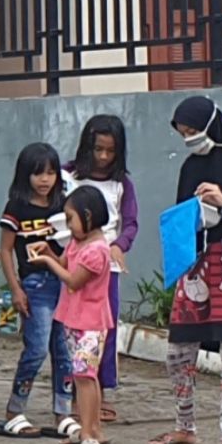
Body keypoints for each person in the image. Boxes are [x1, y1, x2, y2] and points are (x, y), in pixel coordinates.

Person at [147, 96, 222, 444]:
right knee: (178, 351)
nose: (189, 139)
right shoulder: (189, 166)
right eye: (183, 133)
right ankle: (185, 426)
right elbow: (184, 213)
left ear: (210, 124)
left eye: (193, 131)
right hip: (196, 265)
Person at [0, 143, 76, 439]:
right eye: (38, 173)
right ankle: (14, 411)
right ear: (25, 174)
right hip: (34, 286)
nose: (45, 180)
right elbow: (5, 250)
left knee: (64, 352)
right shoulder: (16, 208)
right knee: (37, 348)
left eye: (51, 173)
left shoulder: (63, 205)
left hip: (63, 283)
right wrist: (15, 289)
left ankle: (63, 413)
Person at [28, 187, 115, 444]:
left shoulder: (98, 251)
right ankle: (91, 428)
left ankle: (90, 431)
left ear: (87, 216)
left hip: (91, 322)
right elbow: (64, 264)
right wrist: (51, 253)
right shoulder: (78, 243)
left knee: (85, 375)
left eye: (70, 219)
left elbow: (73, 280)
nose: (67, 225)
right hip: (72, 318)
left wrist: (46, 262)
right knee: (82, 376)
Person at [66, 115, 138, 422]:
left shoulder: (122, 184)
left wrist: (118, 245)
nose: (104, 157)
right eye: (98, 150)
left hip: (106, 269)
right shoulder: (67, 176)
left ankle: (101, 392)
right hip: (71, 262)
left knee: (103, 332)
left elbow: (130, 223)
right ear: (87, 146)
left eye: (110, 151)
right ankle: (71, 395)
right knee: (70, 331)